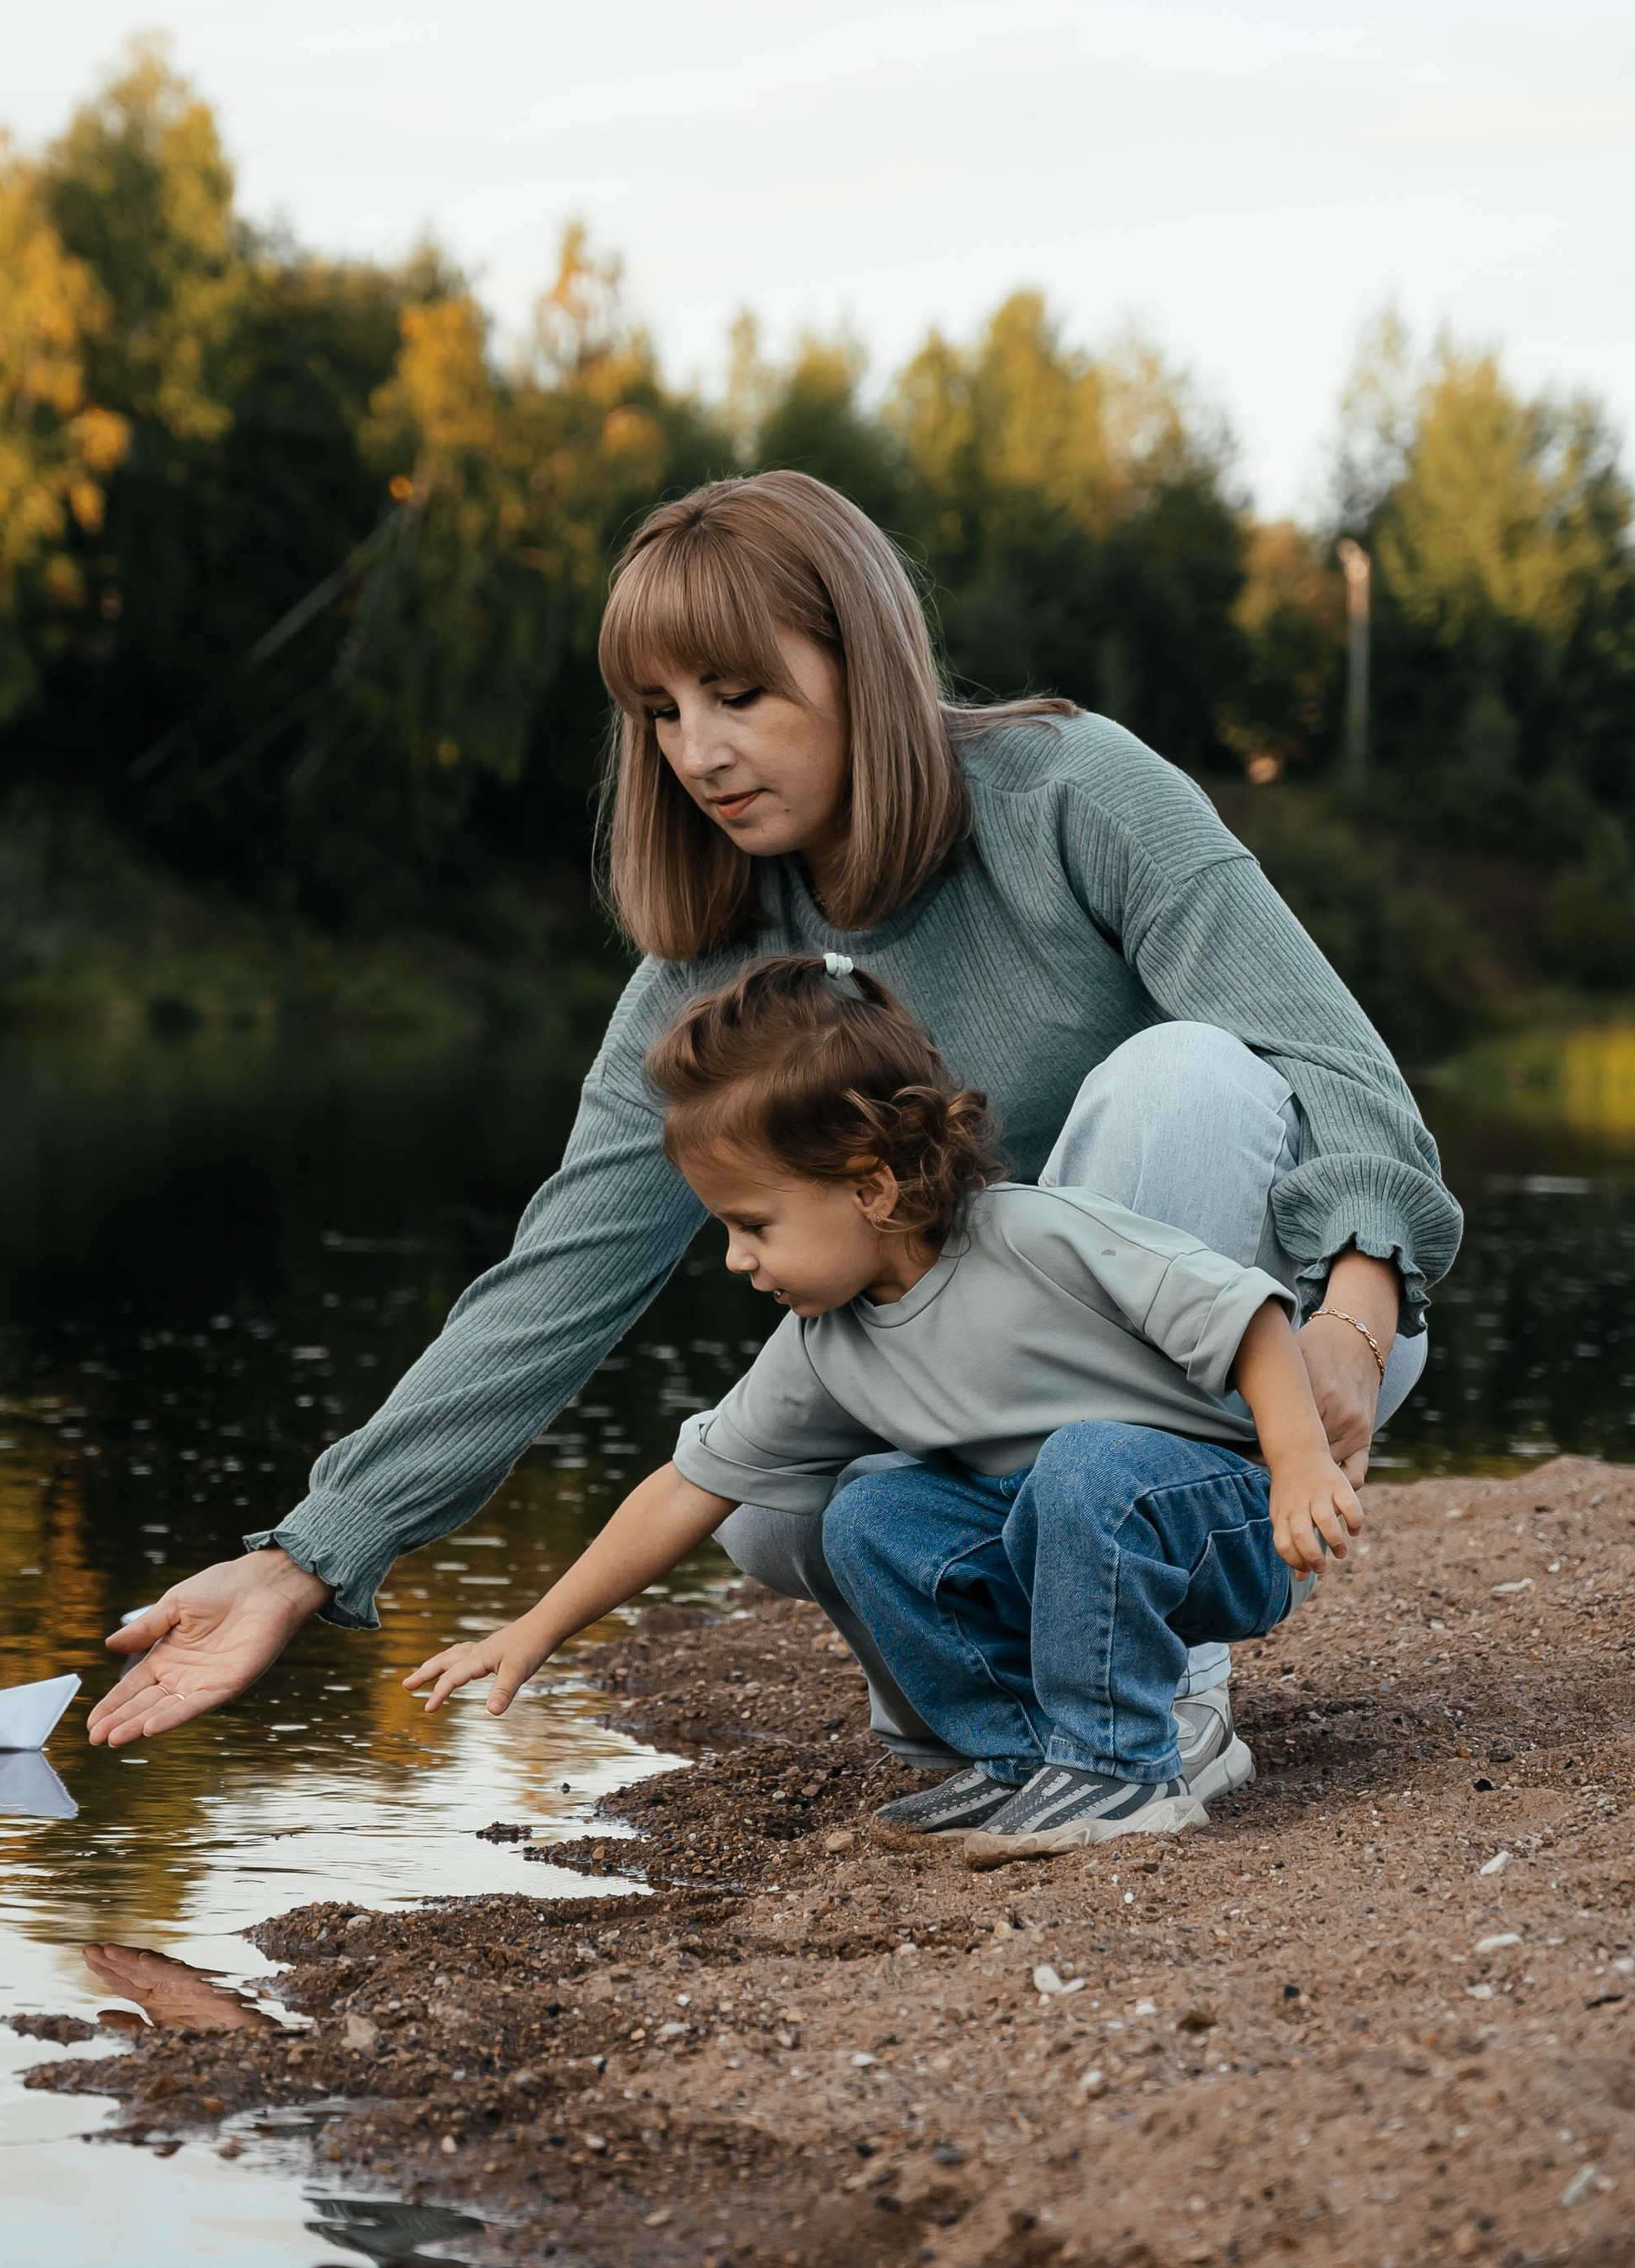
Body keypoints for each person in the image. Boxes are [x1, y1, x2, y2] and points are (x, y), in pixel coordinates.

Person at [88, 472, 1459, 1773]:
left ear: (860, 661)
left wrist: (1350, 1320)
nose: (699, 751)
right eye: (661, 711)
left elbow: (1341, 1074)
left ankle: (1160, 1689)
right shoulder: (712, 968)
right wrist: (308, 1553)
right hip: (990, 1401)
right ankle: (1015, 1686)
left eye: (739, 694)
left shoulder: (1077, 793)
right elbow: (556, 1283)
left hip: (1259, 1350)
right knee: (775, 1509)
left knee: (1190, 1079)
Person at [404, 953, 1354, 1858]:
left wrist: (1300, 1463)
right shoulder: (826, 1342)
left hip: (1222, 1524)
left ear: (870, 1186)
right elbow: (688, 1486)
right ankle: (1019, 1753)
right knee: (870, 1510)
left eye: (753, 1226)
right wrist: (533, 1629)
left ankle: (1122, 1772)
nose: (736, 1260)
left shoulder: (1034, 1235)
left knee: (1085, 1460)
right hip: (1060, 1539)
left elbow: (1246, 1316)